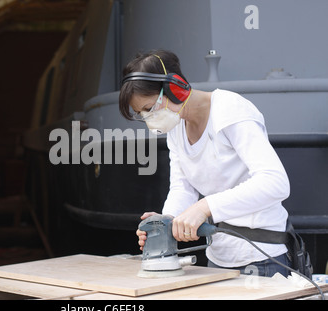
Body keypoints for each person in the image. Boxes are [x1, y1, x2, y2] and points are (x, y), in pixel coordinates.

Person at [119, 49, 291, 277]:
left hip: (262, 259)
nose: (149, 119)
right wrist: (165, 223)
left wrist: (203, 208)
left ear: (175, 87)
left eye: (150, 108)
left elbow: (275, 182)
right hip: (217, 259)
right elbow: (183, 188)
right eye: (142, 114)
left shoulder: (230, 110)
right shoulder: (176, 126)